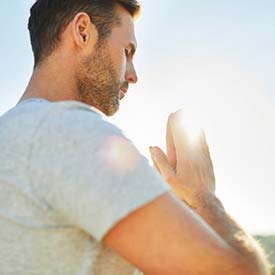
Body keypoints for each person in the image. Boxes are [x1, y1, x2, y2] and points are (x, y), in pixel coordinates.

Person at [0, 0, 270, 274]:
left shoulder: (12, 135)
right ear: (83, 31)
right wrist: (202, 196)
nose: (133, 74)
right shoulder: (68, 130)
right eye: (127, 51)